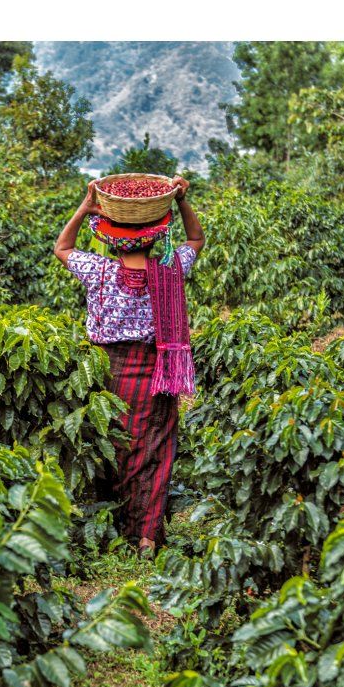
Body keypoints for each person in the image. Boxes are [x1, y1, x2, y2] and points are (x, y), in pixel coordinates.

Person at [53, 175, 205, 557]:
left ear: (112, 241)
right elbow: (196, 239)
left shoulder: (99, 271)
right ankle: (147, 535)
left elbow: (62, 247)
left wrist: (86, 206)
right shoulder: (172, 269)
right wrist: (181, 200)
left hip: (111, 372)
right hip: (158, 371)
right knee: (154, 448)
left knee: (115, 447)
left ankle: (113, 526)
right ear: (155, 238)